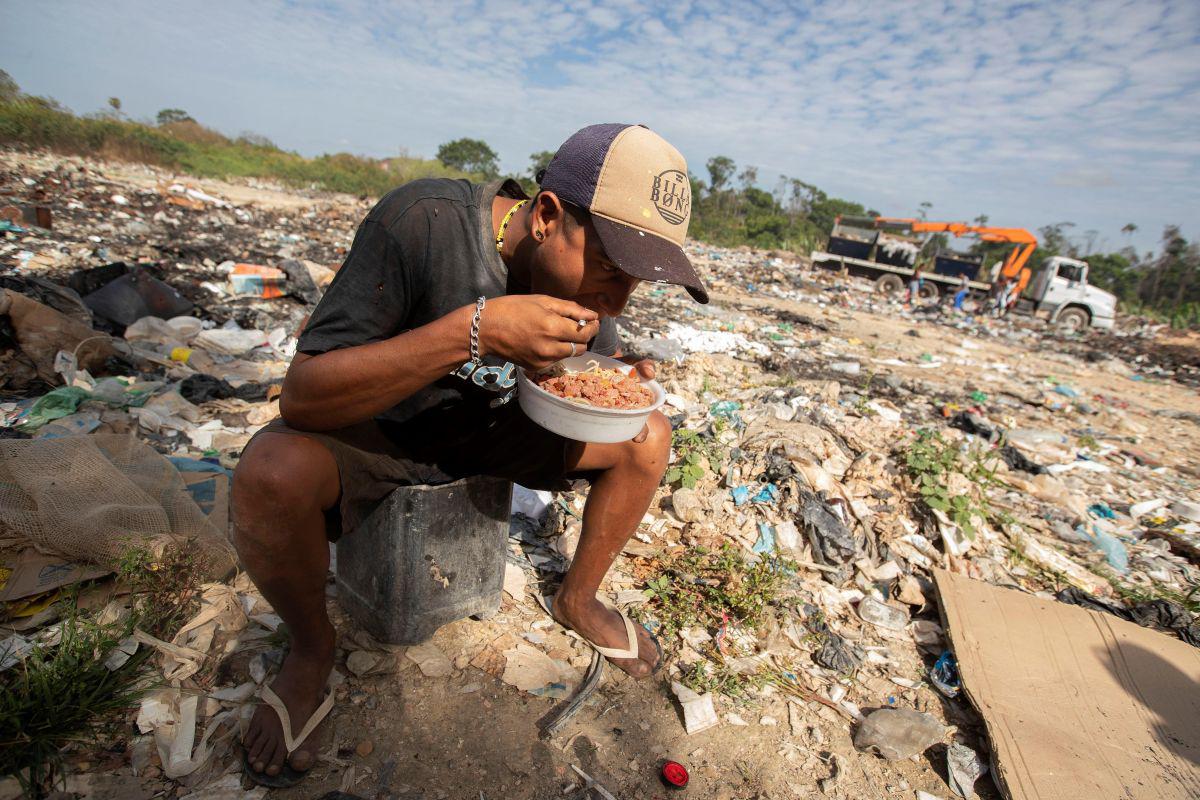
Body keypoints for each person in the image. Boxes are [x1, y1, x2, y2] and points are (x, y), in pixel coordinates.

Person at [232, 123, 709, 786]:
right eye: (608, 270)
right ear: (547, 217)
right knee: (270, 473)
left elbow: (580, 369)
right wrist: (471, 332)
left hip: (497, 431)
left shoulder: (588, 296)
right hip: (384, 433)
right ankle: (311, 648)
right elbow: (303, 398)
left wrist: (613, 377)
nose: (616, 302)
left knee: (647, 433)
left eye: (635, 283)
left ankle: (578, 599)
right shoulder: (423, 223)